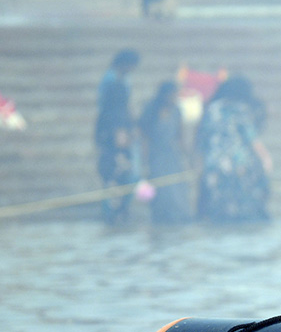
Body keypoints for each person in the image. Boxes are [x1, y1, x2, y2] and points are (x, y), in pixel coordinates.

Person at [195, 75, 271, 222]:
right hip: (237, 163)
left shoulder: (211, 109)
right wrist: (265, 158)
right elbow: (251, 137)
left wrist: (200, 161)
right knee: (240, 205)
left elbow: (202, 138)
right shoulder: (239, 109)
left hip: (214, 163)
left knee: (219, 204)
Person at [95, 48, 140, 223]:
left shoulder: (122, 81)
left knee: (122, 177)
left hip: (115, 138)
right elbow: (112, 112)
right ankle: (114, 214)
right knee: (115, 177)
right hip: (113, 142)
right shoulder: (112, 82)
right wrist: (122, 134)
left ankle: (118, 212)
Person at [137, 79, 191, 223]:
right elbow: (144, 137)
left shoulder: (177, 111)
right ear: (164, 95)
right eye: (172, 95)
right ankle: (160, 219)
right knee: (160, 190)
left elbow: (180, 137)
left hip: (172, 156)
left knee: (176, 189)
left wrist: (187, 157)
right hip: (156, 157)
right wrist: (144, 160)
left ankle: (178, 218)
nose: (174, 98)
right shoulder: (151, 110)